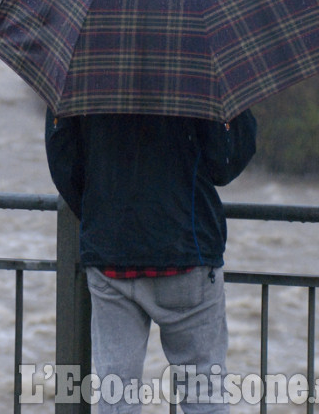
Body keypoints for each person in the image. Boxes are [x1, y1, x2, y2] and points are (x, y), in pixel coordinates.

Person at [45, 110, 256, 413]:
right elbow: (225, 161)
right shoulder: (195, 68)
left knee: (116, 394)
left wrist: (103, 212)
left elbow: (64, 161)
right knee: (204, 394)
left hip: (112, 254)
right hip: (188, 249)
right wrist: (239, 109)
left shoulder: (86, 69)